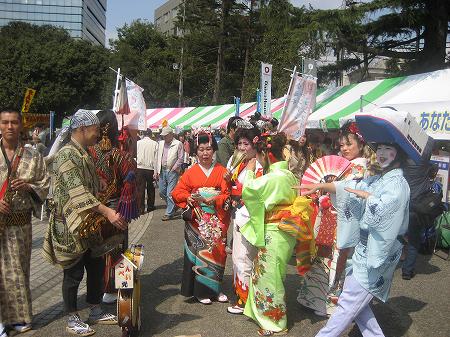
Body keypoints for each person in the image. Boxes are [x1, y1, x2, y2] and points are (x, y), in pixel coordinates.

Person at [300, 141, 410, 337]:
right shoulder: (381, 179)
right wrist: (320, 185)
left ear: (399, 154)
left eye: (388, 149)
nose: (382, 153)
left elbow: (385, 211)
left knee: (348, 303)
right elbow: (351, 186)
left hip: (379, 250)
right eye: (380, 149)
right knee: (353, 302)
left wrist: (368, 198)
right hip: (365, 248)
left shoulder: (398, 184)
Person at [43, 110, 127, 336]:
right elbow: (77, 193)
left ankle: (95, 309)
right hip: (70, 224)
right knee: (73, 272)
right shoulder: (67, 155)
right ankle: (71, 317)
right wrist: (108, 211)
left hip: (87, 221)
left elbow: (86, 185)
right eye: (95, 130)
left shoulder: (82, 152)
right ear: (82, 130)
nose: (99, 134)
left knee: (96, 264)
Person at [297, 121, 371, 317]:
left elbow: (345, 189)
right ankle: (315, 299)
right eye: (342, 145)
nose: (344, 148)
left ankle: (332, 305)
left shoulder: (360, 166)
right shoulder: (345, 164)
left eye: (349, 144)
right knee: (324, 257)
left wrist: (323, 187)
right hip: (333, 216)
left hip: (347, 220)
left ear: (361, 145)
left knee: (338, 261)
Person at [240, 132, 303, 336]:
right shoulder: (288, 174)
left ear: (267, 155)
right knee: (267, 273)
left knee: (271, 277)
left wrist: (249, 172)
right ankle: (263, 314)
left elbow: (250, 192)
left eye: (259, 157)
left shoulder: (274, 177)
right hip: (283, 230)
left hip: (275, 231)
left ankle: (275, 323)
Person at [0, 108, 49, 336]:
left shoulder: (33, 155)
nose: (10, 127)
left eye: (14, 123)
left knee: (18, 271)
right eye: (5, 122)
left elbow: (45, 183)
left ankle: (19, 318)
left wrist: (29, 187)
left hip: (21, 225)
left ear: (21, 125)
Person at [172, 129, 231, 304]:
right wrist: (188, 197)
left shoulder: (222, 171)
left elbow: (227, 194)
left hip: (216, 218)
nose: (205, 153)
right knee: (199, 254)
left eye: (208, 149)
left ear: (214, 150)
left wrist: (216, 199)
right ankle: (200, 291)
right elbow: (178, 192)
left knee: (218, 253)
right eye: (201, 149)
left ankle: (215, 289)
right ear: (195, 152)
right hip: (197, 219)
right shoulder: (190, 172)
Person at [88, 110, 139, 304]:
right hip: (117, 209)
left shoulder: (87, 153)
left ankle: (97, 290)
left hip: (92, 209)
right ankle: (118, 289)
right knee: (118, 248)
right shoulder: (121, 155)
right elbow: (130, 183)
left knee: (96, 252)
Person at [225, 123, 264, 314]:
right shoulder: (236, 162)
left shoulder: (260, 165)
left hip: (251, 216)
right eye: (239, 143)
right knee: (238, 255)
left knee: (245, 256)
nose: (242, 147)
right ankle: (241, 293)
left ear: (255, 145)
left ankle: (245, 299)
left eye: (246, 143)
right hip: (237, 214)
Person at [155, 126, 184, 221]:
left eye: (166, 135)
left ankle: (169, 213)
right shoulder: (161, 143)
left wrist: (174, 168)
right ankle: (174, 206)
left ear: (171, 134)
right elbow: (157, 157)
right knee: (162, 192)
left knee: (169, 193)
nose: (164, 137)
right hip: (162, 170)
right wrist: (156, 170)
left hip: (172, 171)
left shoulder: (178, 144)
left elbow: (180, 158)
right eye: (163, 136)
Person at [136, 128, 158, 213]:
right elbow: (156, 159)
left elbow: (135, 156)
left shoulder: (138, 143)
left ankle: (140, 208)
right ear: (150, 134)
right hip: (150, 168)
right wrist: (156, 172)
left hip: (139, 167)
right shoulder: (155, 144)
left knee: (140, 189)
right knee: (150, 188)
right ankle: (150, 206)